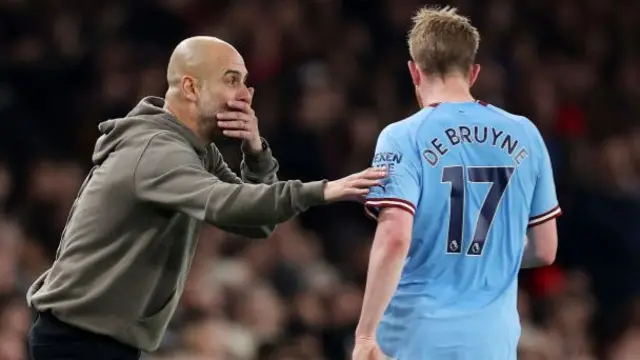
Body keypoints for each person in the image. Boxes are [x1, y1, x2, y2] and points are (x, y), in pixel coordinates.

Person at [25, 36, 387, 360]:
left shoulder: (197, 150)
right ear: (190, 87)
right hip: (77, 340)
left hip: (102, 340)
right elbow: (227, 203)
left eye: (246, 82)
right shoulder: (156, 149)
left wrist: (256, 153)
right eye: (232, 80)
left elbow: (257, 222)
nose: (246, 94)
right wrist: (323, 190)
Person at [353, 6, 561, 360]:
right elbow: (544, 249)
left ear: (414, 71)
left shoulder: (403, 136)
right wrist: (490, 252)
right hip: (492, 341)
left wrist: (364, 335)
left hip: (414, 335)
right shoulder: (526, 133)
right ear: (474, 72)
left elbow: (394, 238)